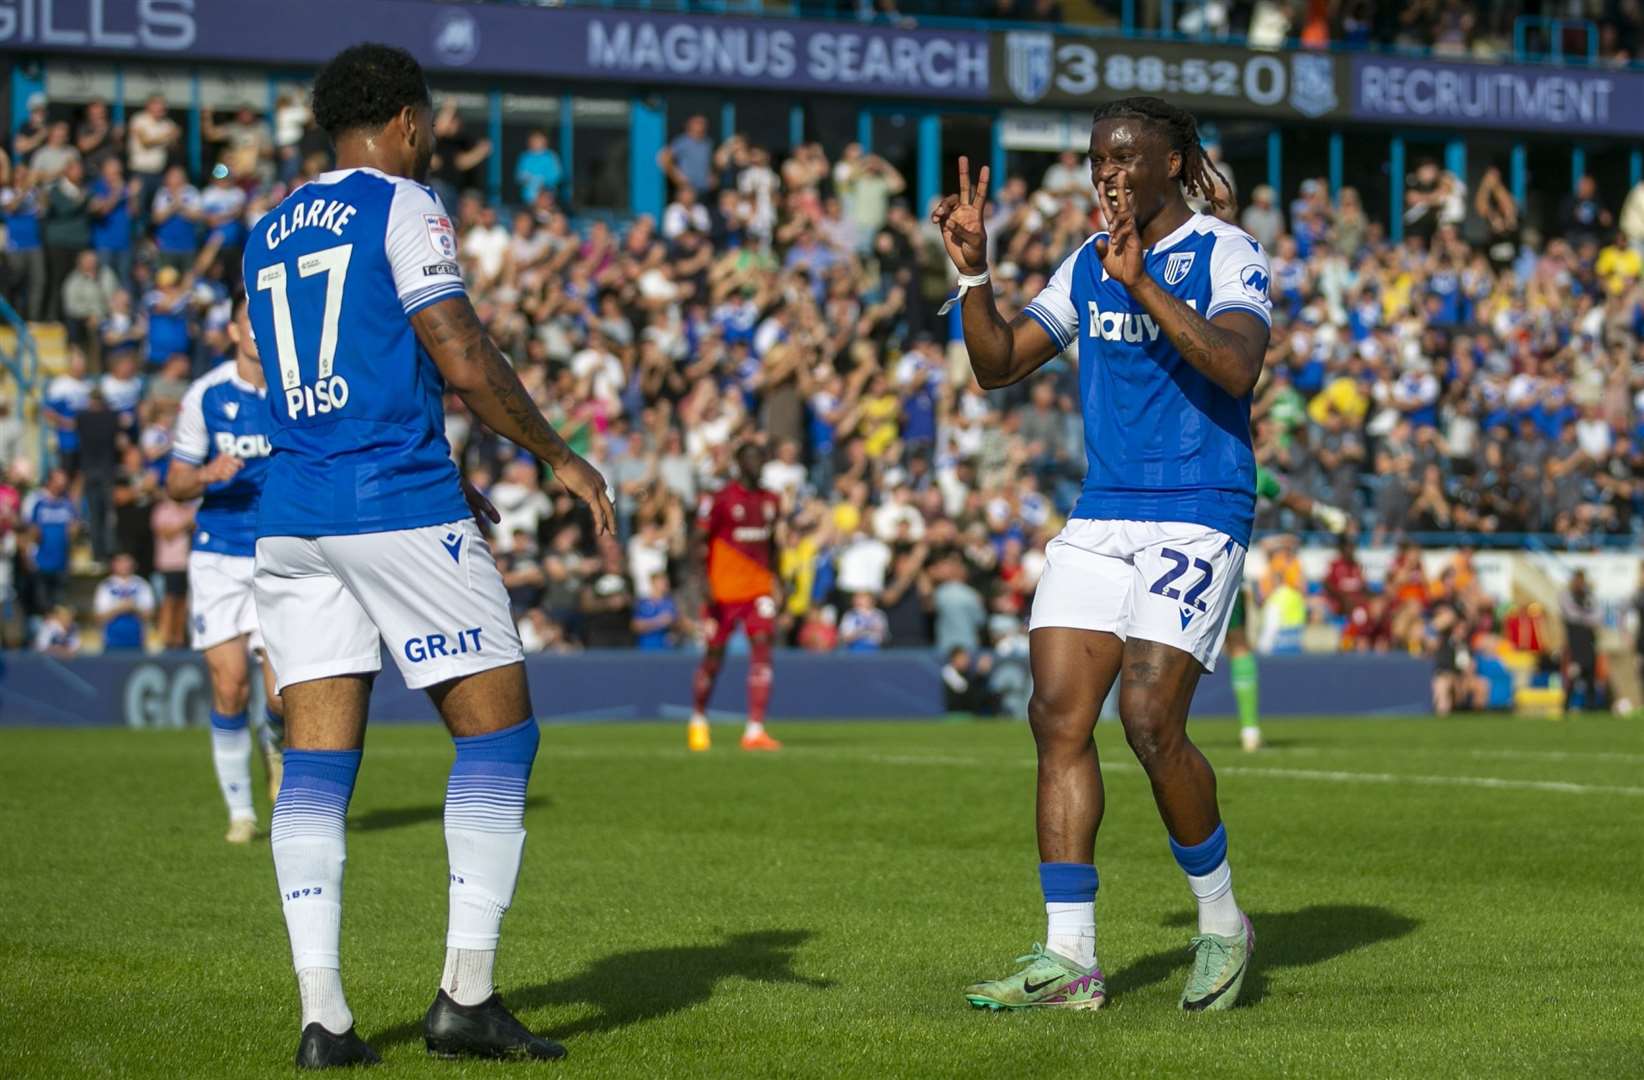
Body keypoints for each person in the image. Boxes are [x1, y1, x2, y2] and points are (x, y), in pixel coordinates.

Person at [241, 44, 612, 1067]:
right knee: (499, 739)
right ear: (406, 121)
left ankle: (325, 1018)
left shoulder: (266, 229)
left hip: (294, 511)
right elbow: (457, 346)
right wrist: (556, 453)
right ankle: (466, 997)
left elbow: (334, 369)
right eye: (433, 119)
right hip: (392, 505)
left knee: (317, 764)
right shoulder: (401, 203)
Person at [936, 96, 1268, 1013]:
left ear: (1172, 166)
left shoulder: (1225, 253)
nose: (1107, 174)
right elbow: (999, 363)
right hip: (1103, 513)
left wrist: (1146, 287)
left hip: (1198, 508)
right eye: (1096, 159)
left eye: (1125, 159)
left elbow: (1239, 370)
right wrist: (973, 276)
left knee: (1153, 719)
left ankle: (1220, 923)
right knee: (1058, 717)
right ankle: (1069, 958)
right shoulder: (1086, 262)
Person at [167, 299, 286, 844]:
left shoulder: (296, 390)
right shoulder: (206, 395)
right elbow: (175, 484)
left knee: (284, 697)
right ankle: (242, 813)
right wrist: (208, 474)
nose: (259, 332)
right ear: (234, 330)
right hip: (218, 553)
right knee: (230, 685)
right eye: (250, 322)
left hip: (281, 552)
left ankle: (277, 740)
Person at [1222, 466, 1350, 752]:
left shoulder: (1194, 460)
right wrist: (1326, 514)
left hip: (1174, 564)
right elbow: (1293, 500)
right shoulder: (1249, 470)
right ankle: (1250, 731)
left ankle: (1163, 726)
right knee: (1239, 646)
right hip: (1222, 569)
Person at [687, 442, 783, 753]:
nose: (758, 465)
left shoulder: (771, 499)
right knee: (714, 658)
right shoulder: (720, 499)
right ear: (739, 464)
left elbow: (774, 545)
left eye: (761, 459)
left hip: (758, 589)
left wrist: (778, 579)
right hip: (723, 591)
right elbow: (697, 541)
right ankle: (699, 717)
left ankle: (755, 729)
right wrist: (703, 582)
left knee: (762, 646)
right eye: (752, 459)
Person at [93, 551, 155, 651]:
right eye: (120, 562)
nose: (124, 565)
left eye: (127, 561)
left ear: (134, 564)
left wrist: (133, 608)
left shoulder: (142, 585)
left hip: (137, 641)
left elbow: (149, 615)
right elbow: (99, 617)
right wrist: (119, 608)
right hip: (111, 642)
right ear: (113, 565)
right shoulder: (105, 586)